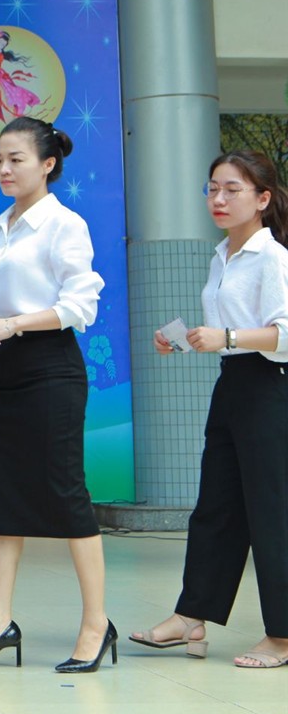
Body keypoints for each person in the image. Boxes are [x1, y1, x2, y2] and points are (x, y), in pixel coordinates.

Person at [0, 116, 114, 673]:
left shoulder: (64, 224)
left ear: (48, 164)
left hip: (51, 368)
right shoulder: (1, 227)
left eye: (16, 159)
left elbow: (81, 306)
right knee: (5, 497)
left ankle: (96, 625)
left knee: (66, 492)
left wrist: (14, 324)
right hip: (6, 370)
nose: (4, 169)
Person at [130, 149, 288, 669]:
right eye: (212, 188)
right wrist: (185, 341)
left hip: (271, 387)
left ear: (262, 199)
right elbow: (229, 334)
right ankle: (191, 616)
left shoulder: (272, 257)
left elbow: (284, 335)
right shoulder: (222, 254)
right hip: (233, 384)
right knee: (215, 506)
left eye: (232, 190)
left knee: (272, 512)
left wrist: (229, 336)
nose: (218, 199)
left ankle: (282, 635)